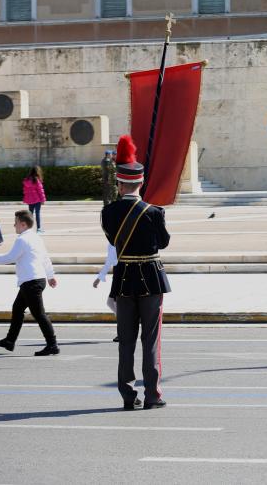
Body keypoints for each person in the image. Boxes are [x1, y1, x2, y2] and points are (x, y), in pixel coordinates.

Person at [95, 135, 171, 410]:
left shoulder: (107, 213)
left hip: (124, 278)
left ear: (119, 183)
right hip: (150, 278)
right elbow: (163, 243)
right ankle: (153, 394)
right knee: (151, 340)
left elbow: (113, 240)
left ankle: (128, 395)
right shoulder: (154, 212)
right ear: (141, 183)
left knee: (125, 341)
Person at [0, 209, 59, 356]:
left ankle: (52, 345)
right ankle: (9, 341)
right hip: (36, 280)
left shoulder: (22, 239)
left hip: (31, 282)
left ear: (22, 224)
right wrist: (50, 275)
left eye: (15, 223)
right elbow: (45, 258)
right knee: (17, 308)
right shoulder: (35, 237)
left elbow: (9, 258)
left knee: (39, 314)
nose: (13, 225)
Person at [22, 166, 46, 234]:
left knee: (30, 214)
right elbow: (40, 190)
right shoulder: (36, 180)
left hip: (30, 200)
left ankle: (28, 228)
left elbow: (25, 191)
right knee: (37, 214)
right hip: (37, 199)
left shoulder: (26, 180)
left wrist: (26, 198)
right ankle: (38, 229)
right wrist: (43, 200)